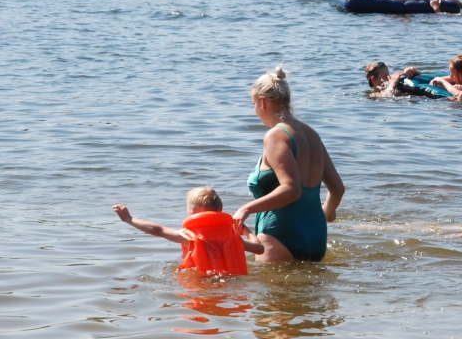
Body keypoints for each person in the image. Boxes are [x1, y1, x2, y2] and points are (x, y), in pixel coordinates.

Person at [233, 66, 345, 262]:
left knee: (271, 291)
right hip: (316, 236)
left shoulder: (276, 135)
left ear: (262, 102)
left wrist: (246, 209)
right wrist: (325, 214)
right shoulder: (312, 134)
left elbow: (292, 190)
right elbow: (338, 189)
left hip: (280, 235)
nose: (255, 111)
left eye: (253, 104)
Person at [112, 187, 264, 255]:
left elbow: (157, 230)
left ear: (192, 214)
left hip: (202, 281)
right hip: (233, 280)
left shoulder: (189, 237)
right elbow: (260, 249)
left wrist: (128, 219)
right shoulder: (233, 237)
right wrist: (244, 229)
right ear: (221, 210)